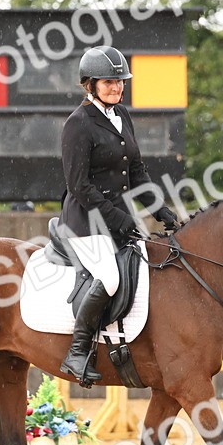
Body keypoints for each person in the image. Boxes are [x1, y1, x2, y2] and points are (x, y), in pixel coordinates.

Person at [57, 45, 180, 384]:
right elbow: (79, 186)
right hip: (85, 222)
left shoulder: (121, 115)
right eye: (109, 82)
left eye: (120, 81)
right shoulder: (78, 124)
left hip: (117, 219)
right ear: (90, 84)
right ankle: (77, 352)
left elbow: (137, 171)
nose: (117, 87)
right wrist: (118, 217)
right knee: (110, 278)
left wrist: (160, 210)